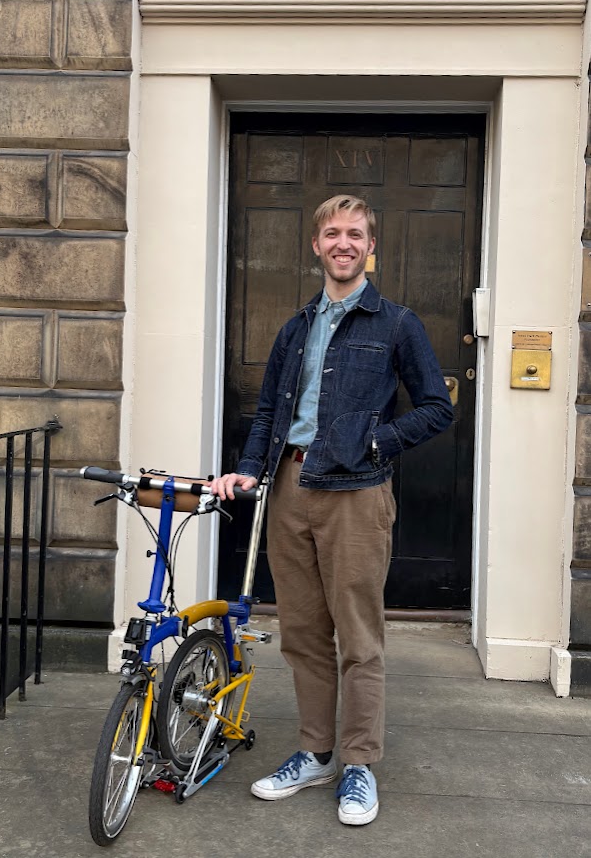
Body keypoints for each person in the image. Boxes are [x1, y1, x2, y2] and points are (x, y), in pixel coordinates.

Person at [211, 194, 453, 826]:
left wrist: (374, 440)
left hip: (358, 493)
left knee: (358, 638)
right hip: (289, 490)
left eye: (355, 235)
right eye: (332, 234)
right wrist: (248, 467)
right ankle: (316, 751)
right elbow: (269, 414)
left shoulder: (397, 323)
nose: (343, 243)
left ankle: (359, 765)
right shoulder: (295, 327)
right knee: (304, 635)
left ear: (370, 247)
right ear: (316, 246)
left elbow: (436, 407)